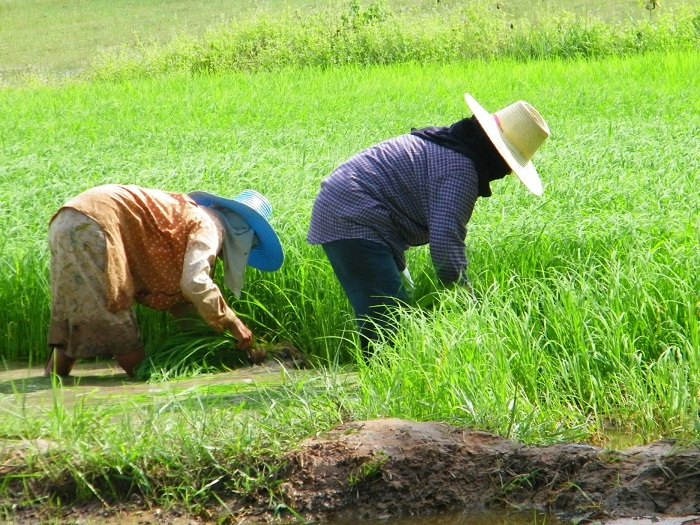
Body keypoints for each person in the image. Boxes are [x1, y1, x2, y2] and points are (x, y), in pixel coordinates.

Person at [307, 93, 550, 358]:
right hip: (353, 214)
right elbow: (446, 243)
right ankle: (381, 390)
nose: (506, 174)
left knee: (402, 313)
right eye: (507, 165)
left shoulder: (451, 146)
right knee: (388, 320)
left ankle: (386, 383)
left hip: (361, 213)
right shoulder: (460, 169)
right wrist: (465, 300)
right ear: (495, 153)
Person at [44, 184, 284, 377]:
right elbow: (195, 284)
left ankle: (53, 383)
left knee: (74, 314)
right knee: (114, 309)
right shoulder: (210, 225)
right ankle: (142, 382)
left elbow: (183, 299)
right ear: (242, 232)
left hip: (68, 219)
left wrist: (210, 336)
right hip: (95, 225)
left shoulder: (189, 218)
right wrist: (232, 322)